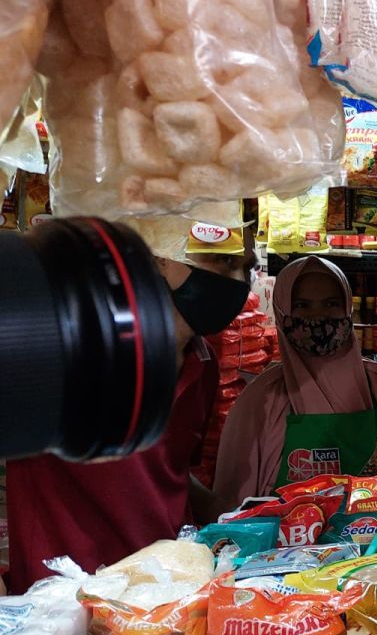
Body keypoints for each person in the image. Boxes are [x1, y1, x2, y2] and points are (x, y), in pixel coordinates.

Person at [4, 249, 253, 593]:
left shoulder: (203, 362)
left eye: (247, 266)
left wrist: (221, 510)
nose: (238, 282)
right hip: (65, 604)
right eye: (223, 260)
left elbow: (170, 469)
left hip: (165, 597)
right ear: (161, 257)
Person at [205, 256, 377, 538]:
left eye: (330, 304)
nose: (317, 318)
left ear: (348, 308)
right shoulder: (261, 398)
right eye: (302, 306)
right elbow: (234, 512)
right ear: (283, 310)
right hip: (283, 566)